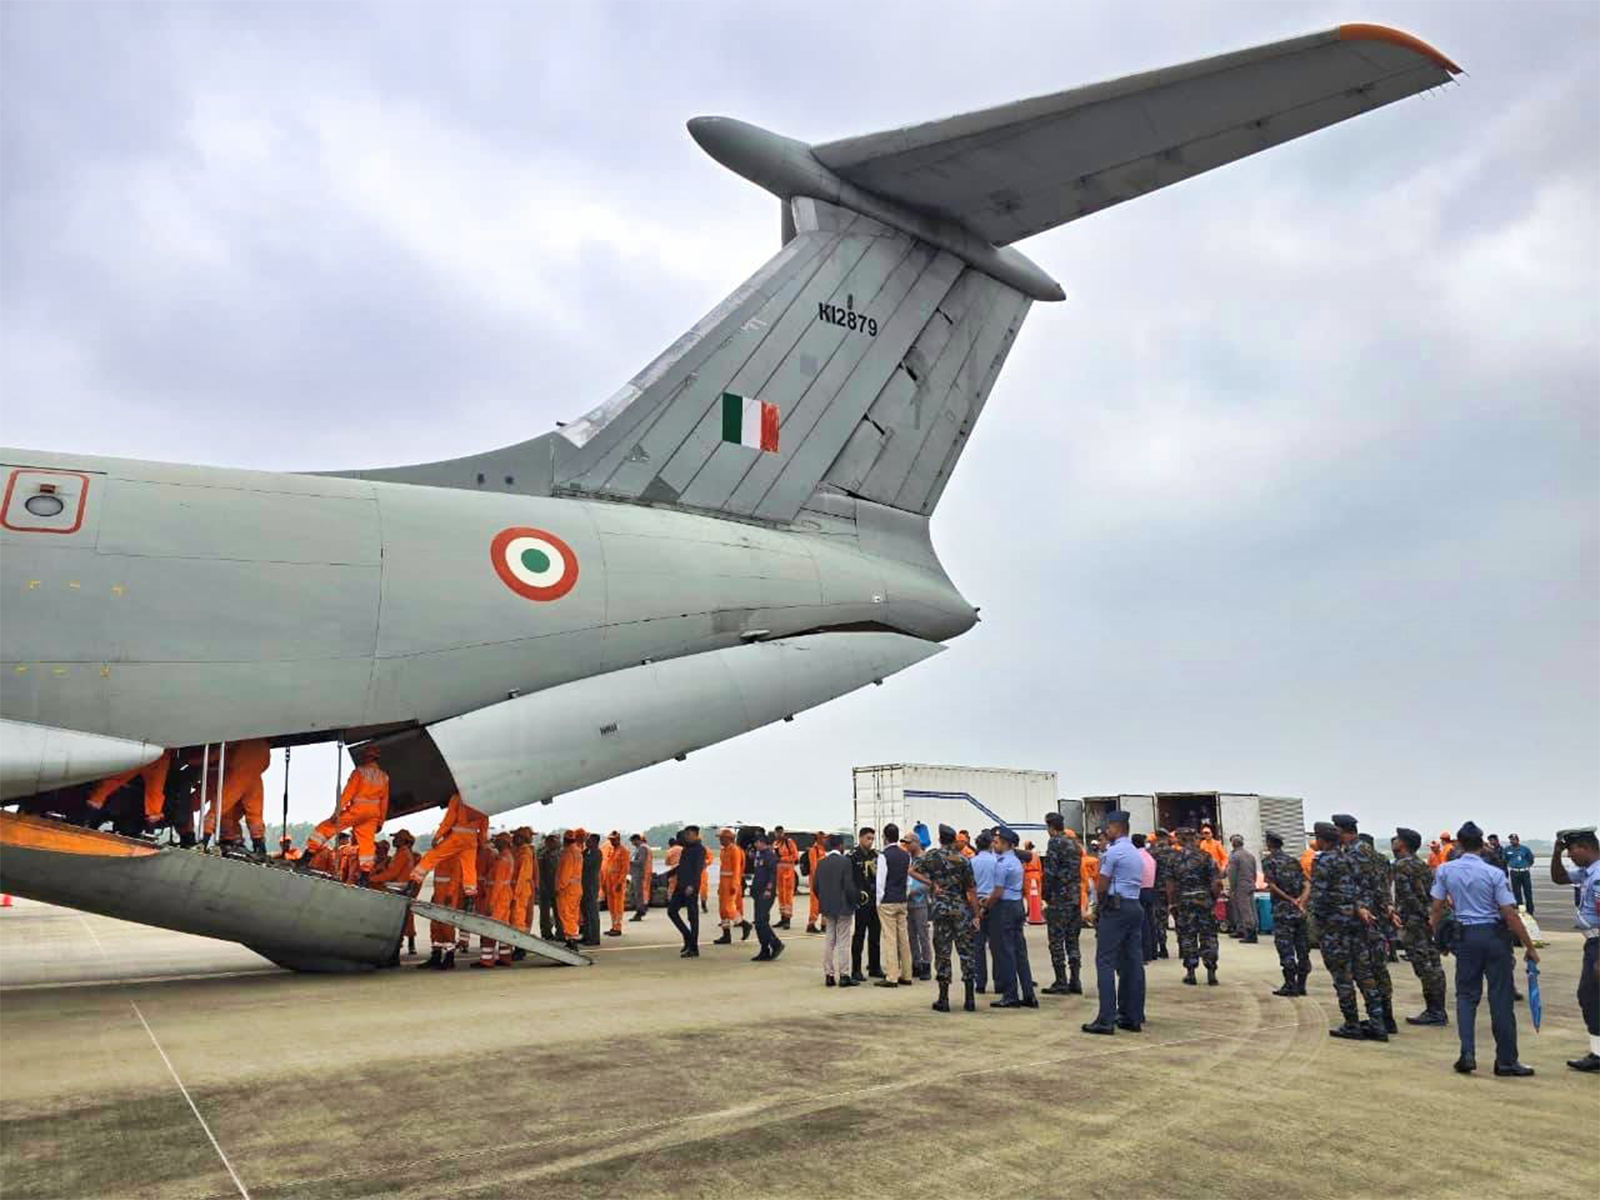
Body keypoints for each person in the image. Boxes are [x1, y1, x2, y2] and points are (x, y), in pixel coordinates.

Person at [1429, 821, 1538, 1075]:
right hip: (1494, 936)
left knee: (1466, 997)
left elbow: (1436, 908)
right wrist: (1529, 946)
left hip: (1465, 937)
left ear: (1459, 844)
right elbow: (1509, 913)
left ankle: (1467, 1054)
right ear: (1481, 845)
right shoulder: (1494, 874)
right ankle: (1506, 1061)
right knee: (1501, 999)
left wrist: (1439, 940)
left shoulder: (1445, 870)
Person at [1314, 816, 1391, 1042]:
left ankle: (1351, 1024)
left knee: (1342, 977)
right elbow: (1364, 889)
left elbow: (1319, 898)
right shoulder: (1350, 858)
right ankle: (1378, 1024)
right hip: (1357, 924)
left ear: (1322, 840)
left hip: (1334, 927)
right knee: (1364, 974)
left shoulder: (1324, 861)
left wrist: (1319, 925)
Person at [1083, 811, 1145, 1034]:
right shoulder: (1136, 853)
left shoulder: (1113, 853)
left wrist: (1098, 908)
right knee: (1132, 962)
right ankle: (1132, 1016)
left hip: (1116, 908)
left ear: (1116, 828)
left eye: (1107, 828)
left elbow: (1102, 885)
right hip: (1134, 906)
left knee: (1105, 962)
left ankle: (1106, 1019)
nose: (1105, 832)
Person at [1549, 829, 1600, 1073]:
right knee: (1591, 997)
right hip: (1592, 943)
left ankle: (1598, 1055)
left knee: (1590, 997)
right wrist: (1555, 854)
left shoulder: (1598, 875)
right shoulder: (1588, 872)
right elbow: (1559, 878)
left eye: (1571, 850)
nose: (1569, 855)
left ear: (1586, 847)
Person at [302, 743, 388, 882]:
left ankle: (307, 856)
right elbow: (384, 801)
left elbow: (348, 793)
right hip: (373, 814)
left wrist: (337, 811)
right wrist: (381, 821)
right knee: (367, 844)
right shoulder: (384, 777)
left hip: (358, 809)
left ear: (366, 756)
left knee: (327, 827)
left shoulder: (359, 772)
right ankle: (365, 877)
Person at [1390, 828, 1447, 1025]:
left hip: (1415, 921)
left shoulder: (1401, 865)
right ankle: (1437, 1009)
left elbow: (1407, 895)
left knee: (1423, 966)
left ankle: (1434, 1011)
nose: (1394, 841)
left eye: (1397, 839)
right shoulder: (1421, 864)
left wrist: (1416, 916)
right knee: (1434, 964)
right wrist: (1431, 916)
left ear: (1403, 843)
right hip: (1428, 919)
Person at [406, 791, 488, 912]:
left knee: (432, 856)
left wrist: (438, 836)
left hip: (458, 836)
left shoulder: (458, 798)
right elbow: (484, 827)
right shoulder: (482, 802)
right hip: (471, 840)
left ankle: (411, 885)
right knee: (469, 869)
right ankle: (470, 902)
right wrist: (481, 843)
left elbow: (449, 819)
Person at [985, 827, 1037, 1009]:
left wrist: (986, 905)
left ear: (1007, 844)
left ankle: (1010, 995)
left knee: (1005, 952)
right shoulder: (1016, 861)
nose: (994, 844)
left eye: (997, 842)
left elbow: (998, 892)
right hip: (1016, 906)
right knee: (1020, 952)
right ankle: (1029, 994)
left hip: (1004, 908)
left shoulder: (1002, 863)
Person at [199, 740, 273, 859]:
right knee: (255, 815)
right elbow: (265, 763)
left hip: (239, 774)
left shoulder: (240, 738)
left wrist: (191, 761)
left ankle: (202, 842)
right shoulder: (263, 743)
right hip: (255, 776)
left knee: (217, 809)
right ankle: (260, 848)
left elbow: (219, 753)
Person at [1168, 827, 1222, 986]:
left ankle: (1191, 973)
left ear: (1181, 839)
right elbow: (1216, 883)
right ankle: (1211, 972)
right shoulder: (1206, 857)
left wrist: (1172, 903)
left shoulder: (1174, 859)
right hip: (1204, 900)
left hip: (1184, 901)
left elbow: (1170, 885)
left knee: (1187, 936)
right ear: (1194, 839)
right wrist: (1213, 898)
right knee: (1209, 935)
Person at [1260, 832, 1310, 996]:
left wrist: (1289, 899)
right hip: (1298, 911)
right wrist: (1300, 902)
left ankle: (1290, 985)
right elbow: (1306, 884)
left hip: (1282, 911)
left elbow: (1272, 885)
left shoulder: (1268, 861)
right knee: (1302, 949)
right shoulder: (1293, 860)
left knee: (1286, 949)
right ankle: (1301, 985)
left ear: (1269, 844)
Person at [1040, 812, 1084, 995]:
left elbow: (1050, 871)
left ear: (1050, 826)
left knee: (1056, 940)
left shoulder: (1055, 842)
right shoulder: (1074, 843)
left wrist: (1046, 894)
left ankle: (1061, 981)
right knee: (1072, 940)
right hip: (1074, 897)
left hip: (1059, 898)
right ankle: (1075, 979)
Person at [85, 749, 174, 834]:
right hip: (148, 753)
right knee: (112, 782)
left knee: (154, 792)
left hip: (153, 754)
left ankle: (88, 820)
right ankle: (88, 820)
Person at [812, 834, 857, 987]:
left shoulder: (821, 863)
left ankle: (829, 975)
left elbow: (815, 887)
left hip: (827, 907)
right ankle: (844, 975)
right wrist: (854, 901)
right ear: (840, 846)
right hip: (843, 907)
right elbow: (849, 885)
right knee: (843, 941)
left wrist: (824, 900)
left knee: (829, 939)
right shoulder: (845, 862)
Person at [368, 828, 418, 955]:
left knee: (371, 890)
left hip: (397, 886)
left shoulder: (402, 853)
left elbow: (392, 873)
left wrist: (372, 879)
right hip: (400, 885)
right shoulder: (402, 852)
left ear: (403, 840)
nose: (394, 840)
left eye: (396, 838)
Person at [875, 822, 913, 987]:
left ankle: (892, 976)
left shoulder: (884, 856)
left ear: (884, 837)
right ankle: (907, 974)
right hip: (902, 900)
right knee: (903, 938)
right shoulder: (906, 855)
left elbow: (880, 882)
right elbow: (909, 880)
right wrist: (904, 895)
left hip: (888, 901)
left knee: (890, 939)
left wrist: (879, 901)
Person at [474, 832, 516, 968]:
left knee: (490, 928)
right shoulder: (506, 857)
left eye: (498, 841)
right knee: (503, 928)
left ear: (504, 843)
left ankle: (486, 960)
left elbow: (497, 883)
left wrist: (491, 903)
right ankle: (505, 957)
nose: (495, 843)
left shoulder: (502, 860)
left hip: (497, 897)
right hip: (503, 896)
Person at [849, 828, 883, 980]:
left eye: (872, 839)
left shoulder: (876, 856)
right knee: (859, 936)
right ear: (861, 838)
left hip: (875, 901)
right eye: (868, 838)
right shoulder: (853, 856)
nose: (870, 841)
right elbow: (849, 880)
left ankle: (875, 967)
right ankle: (856, 970)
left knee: (875, 936)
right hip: (862, 902)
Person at [667, 826, 706, 956]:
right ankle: (688, 937)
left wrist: (692, 886)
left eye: (689, 834)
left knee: (692, 917)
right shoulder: (686, 849)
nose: (687, 836)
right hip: (680, 885)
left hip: (690, 887)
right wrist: (667, 875)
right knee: (671, 911)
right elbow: (681, 867)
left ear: (696, 835)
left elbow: (698, 869)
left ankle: (693, 948)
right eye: (686, 834)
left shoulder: (699, 850)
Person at [747, 830, 784, 962]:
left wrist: (769, 889)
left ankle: (775, 943)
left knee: (760, 921)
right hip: (758, 892)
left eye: (757, 842)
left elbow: (773, 874)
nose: (755, 845)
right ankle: (765, 949)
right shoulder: (759, 855)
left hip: (766, 893)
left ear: (763, 843)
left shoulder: (769, 856)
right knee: (760, 922)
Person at [969, 831, 998, 993]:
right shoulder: (996, 861)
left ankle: (980, 983)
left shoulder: (971, 862)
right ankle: (999, 982)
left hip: (976, 904)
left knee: (977, 947)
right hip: (993, 903)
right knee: (996, 945)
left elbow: (969, 886)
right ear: (990, 845)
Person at [713, 828, 751, 944]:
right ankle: (726, 935)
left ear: (728, 839)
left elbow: (737, 869)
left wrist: (734, 885)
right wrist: (720, 886)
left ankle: (745, 924)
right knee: (722, 910)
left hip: (731, 883)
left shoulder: (735, 850)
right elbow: (723, 870)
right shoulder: (723, 850)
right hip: (724, 883)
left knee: (729, 909)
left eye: (722, 838)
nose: (720, 840)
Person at [905, 833, 932, 981]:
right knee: (911, 935)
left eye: (909, 843)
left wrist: (915, 891)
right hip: (908, 902)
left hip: (920, 902)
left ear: (916, 843)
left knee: (923, 935)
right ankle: (916, 963)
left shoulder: (925, 859)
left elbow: (930, 882)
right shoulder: (908, 859)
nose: (907, 846)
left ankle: (926, 964)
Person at [1224, 834, 1259, 944]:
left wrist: (1232, 888)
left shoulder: (1234, 856)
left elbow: (1232, 874)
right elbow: (1254, 872)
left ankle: (1250, 933)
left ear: (1233, 844)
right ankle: (1242, 930)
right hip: (1249, 884)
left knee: (1244, 910)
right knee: (1250, 909)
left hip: (1240, 886)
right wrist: (1253, 882)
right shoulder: (1250, 855)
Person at [554, 830, 583, 949]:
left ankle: (571, 939)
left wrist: (559, 887)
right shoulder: (578, 852)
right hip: (576, 888)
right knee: (573, 913)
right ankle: (573, 937)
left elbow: (565, 873)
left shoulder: (567, 853)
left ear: (564, 840)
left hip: (567, 889)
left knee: (566, 914)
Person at [1149, 829, 1174, 959]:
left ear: (1157, 838)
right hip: (1173, 889)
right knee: (1179, 917)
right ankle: (1183, 947)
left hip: (1157, 889)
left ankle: (1163, 947)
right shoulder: (1175, 852)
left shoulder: (1152, 852)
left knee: (1159, 918)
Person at [1132, 833, 1158, 961]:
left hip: (1139, 891)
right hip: (1150, 890)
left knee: (1142, 924)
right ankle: (1153, 951)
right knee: (1151, 921)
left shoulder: (1135, 856)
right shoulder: (1149, 856)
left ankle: (1145, 954)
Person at [602, 831, 629, 937]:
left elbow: (625, 869)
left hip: (617, 882)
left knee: (617, 906)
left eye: (614, 839)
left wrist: (620, 882)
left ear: (618, 839)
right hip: (609, 882)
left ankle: (618, 927)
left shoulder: (623, 851)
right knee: (611, 906)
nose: (612, 841)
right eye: (611, 840)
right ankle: (613, 926)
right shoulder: (611, 850)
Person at [773, 826, 799, 929]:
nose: (779, 835)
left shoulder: (789, 842)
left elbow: (795, 856)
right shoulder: (775, 844)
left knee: (788, 897)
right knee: (781, 896)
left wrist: (782, 858)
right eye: (777, 833)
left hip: (788, 874)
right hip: (779, 874)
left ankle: (787, 920)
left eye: (780, 833)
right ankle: (782, 918)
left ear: (783, 833)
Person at [536, 833, 561, 940]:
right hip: (545, 887)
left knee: (558, 912)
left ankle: (560, 932)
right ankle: (546, 933)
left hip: (556, 887)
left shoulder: (560, 854)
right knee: (545, 913)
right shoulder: (541, 854)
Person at [1505, 834, 1535, 912]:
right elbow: (1505, 859)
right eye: (1511, 840)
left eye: (1514, 839)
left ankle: (1530, 910)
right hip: (1514, 872)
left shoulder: (1525, 849)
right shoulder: (1507, 849)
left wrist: (1526, 866)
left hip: (1524, 872)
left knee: (1528, 892)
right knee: (1517, 893)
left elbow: (1531, 859)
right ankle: (1521, 910)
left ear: (1518, 840)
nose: (1512, 841)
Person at [805, 832, 828, 933]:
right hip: (816, 881)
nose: (825, 840)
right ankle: (811, 924)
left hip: (824, 880)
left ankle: (824, 925)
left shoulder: (823, 850)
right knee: (815, 903)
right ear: (818, 839)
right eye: (824, 838)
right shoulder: (813, 850)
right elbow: (814, 867)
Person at [628, 833, 652, 922]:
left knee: (638, 894)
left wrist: (630, 861)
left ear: (637, 840)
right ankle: (640, 910)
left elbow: (641, 861)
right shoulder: (638, 848)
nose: (632, 844)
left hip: (639, 874)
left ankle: (640, 911)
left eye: (633, 842)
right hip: (635, 874)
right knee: (634, 893)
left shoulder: (642, 848)